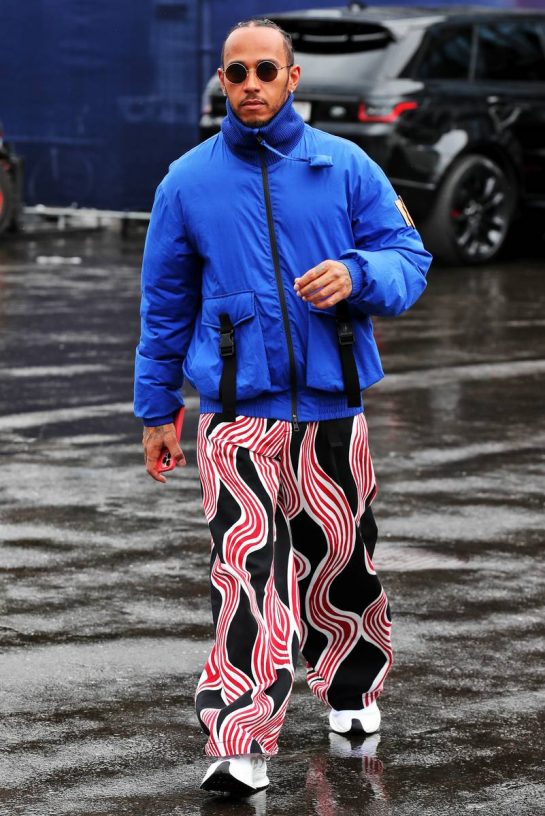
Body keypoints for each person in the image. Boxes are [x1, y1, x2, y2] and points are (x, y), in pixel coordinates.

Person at [134, 18, 431, 797]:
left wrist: (358, 273)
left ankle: (351, 684)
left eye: (266, 70)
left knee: (342, 560)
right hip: (236, 417)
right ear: (223, 84)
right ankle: (239, 738)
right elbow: (163, 309)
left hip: (334, 413)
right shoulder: (186, 182)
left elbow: (410, 258)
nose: (252, 84)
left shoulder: (346, 166)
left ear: (292, 77)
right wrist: (157, 410)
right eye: (236, 73)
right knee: (245, 576)